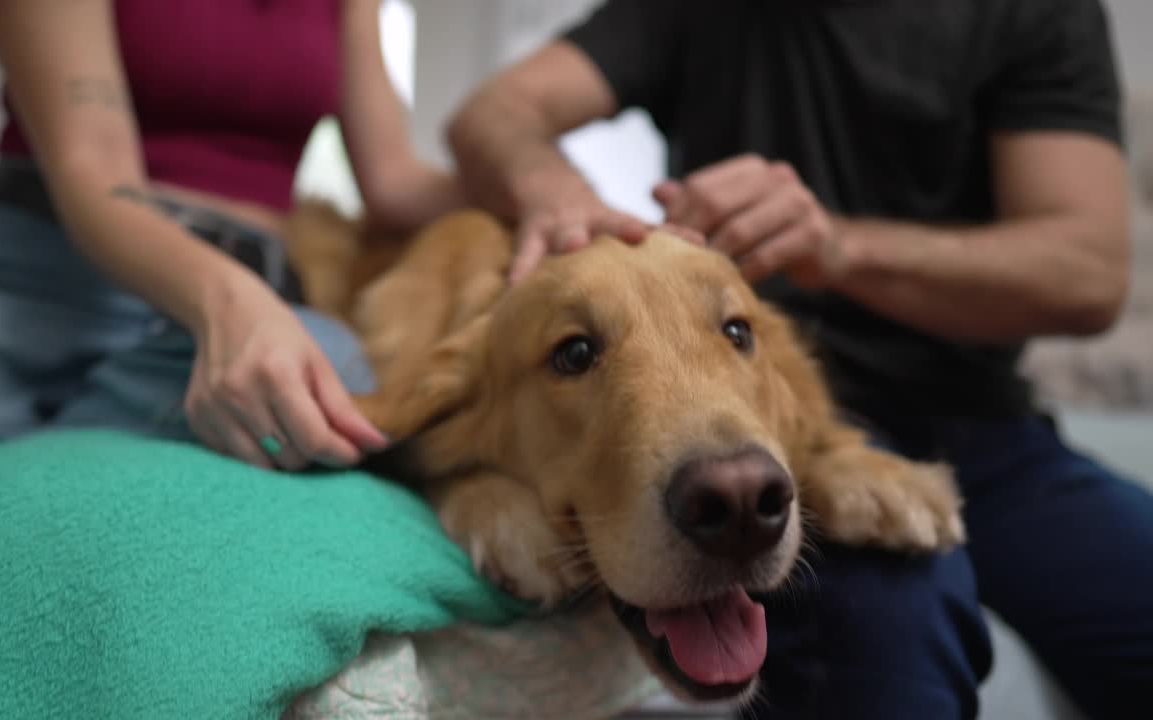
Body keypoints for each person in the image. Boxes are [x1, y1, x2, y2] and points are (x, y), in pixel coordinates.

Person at [446, 1, 1153, 718]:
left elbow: (1089, 274)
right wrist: (564, 202)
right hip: (780, 422)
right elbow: (493, 115)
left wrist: (839, 249)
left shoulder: (1037, 12)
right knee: (892, 637)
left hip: (993, 430)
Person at [0, 0, 457, 583]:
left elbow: (394, 182)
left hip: (243, 294)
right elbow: (94, 167)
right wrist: (228, 303)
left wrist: (523, 172)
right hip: (22, 272)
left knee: (327, 380)